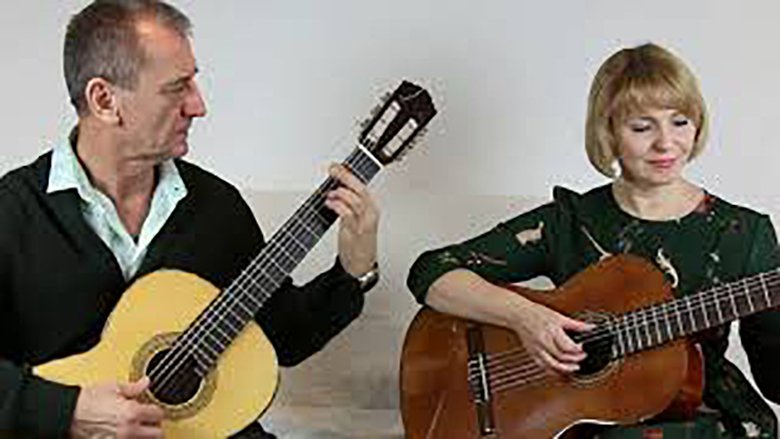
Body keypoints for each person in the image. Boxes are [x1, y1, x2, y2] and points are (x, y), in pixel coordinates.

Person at [0, 1, 380, 437]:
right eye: (176, 88)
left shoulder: (216, 207)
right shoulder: (12, 212)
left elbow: (283, 338)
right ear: (104, 100)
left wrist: (352, 273)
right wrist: (68, 410)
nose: (198, 106)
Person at [407, 43, 780, 437]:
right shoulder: (571, 221)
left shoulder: (744, 232)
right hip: (591, 423)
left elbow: (775, 380)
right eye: (642, 127)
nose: (666, 143)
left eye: (680, 122)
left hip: (702, 417)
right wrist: (527, 318)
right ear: (608, 132)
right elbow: (432, 272)